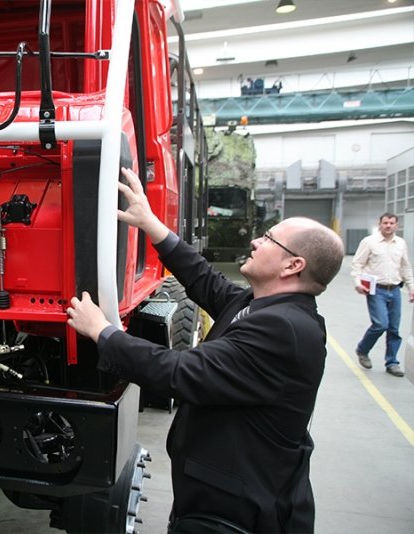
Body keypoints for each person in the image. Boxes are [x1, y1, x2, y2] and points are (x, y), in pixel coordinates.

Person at [66, 167, 344, 533]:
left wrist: (102, 332)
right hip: (222, 497)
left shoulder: (284, 331)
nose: (256, 242)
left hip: (237, 513)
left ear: (293, 265)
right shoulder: (264, 306)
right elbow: (204, 280)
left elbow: (178, 372)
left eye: (268, 240)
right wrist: (150, 224)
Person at [350, 212, 413, 377]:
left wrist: (411, 287)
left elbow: (405, 267)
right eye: (385, 223)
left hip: (395, 290)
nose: (388, 226)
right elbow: (357, 264)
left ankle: (392, 362)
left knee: (394, 328)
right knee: (380, 324)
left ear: (396, 225)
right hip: (376, 290)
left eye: (392, 223)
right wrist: (357, 283)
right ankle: (363, 349)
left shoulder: (401, 243)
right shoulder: (369, 242)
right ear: (380, 224)